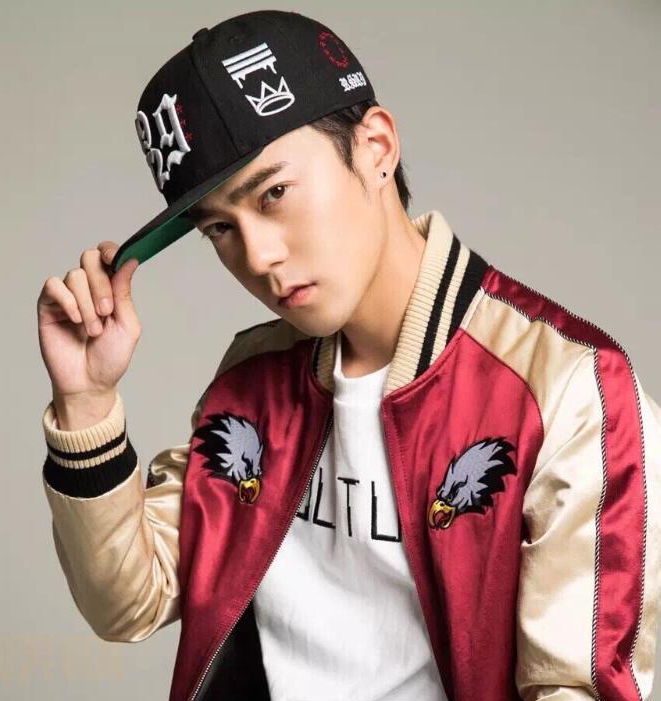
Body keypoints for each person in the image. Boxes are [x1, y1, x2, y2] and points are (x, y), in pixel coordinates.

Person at [35, 10, 661, 701]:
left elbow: (578, 685)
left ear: (376, 148)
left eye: (274, 193)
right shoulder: (251, 378)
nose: (258, 256)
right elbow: (128, 602)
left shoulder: (566, 389)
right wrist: (86, 403)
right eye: (219, 228)